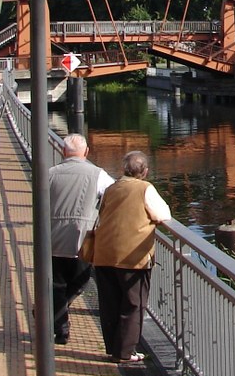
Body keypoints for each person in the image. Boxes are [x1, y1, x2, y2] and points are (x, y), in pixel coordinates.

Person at [90, 150, 172, 363]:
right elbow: (163, 215)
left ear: (123, 169)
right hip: (132, 256)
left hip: (105, 252)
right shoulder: (145, 188)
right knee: (134, 303)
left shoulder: (111, 188)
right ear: (145, 171)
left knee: (109, 302)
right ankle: (125, 352)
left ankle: (113, 347)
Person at [46, 133, 115, 345]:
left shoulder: (50, 174)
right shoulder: (98, 175)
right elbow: (114, 194)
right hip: (82, 238)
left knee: (57, 283)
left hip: (52, 237)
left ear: (63, 151)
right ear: (86, 152)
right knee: (80, 281)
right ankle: (58, 321)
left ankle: (57, 322)